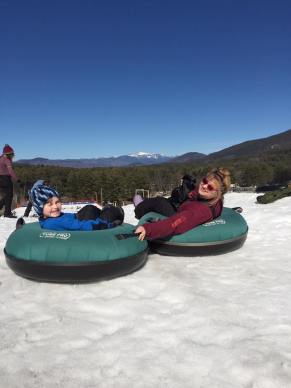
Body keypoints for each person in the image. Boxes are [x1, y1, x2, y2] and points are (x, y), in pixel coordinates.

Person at [134, 167, 231, 241]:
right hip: (184, 207)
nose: (205, 186)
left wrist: (148, 229)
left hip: (179, 214)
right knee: (171, 199)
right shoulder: (213, 200)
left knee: (159, 202)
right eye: (205, 181)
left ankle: (139, 207)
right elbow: (198, 192)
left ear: (217, 193)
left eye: (210, 187)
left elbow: (174, 224)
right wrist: (191, 193)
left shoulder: (200, 211)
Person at [29, 184, 124, 231]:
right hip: (86, 223)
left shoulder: (49, 218)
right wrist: (110, 225)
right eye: (49, 204)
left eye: (57, 202)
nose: (55, 206)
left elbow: (69, 218)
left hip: (79, 218)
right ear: (40, 208)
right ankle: (114, 212)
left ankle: (106, 210)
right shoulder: (54, 222)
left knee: (90, 208)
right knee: (110, 211)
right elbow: (84, 226)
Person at [0, 144, 19, 218]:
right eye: (11, 154)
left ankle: (1, 206)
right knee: (9, 195)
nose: (12, 155)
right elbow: (11, 171)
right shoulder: (7, 160)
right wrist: (17, 180)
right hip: (5, 179)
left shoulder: (1, 158)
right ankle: (7, 213)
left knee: (8, 195)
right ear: (9, 154)